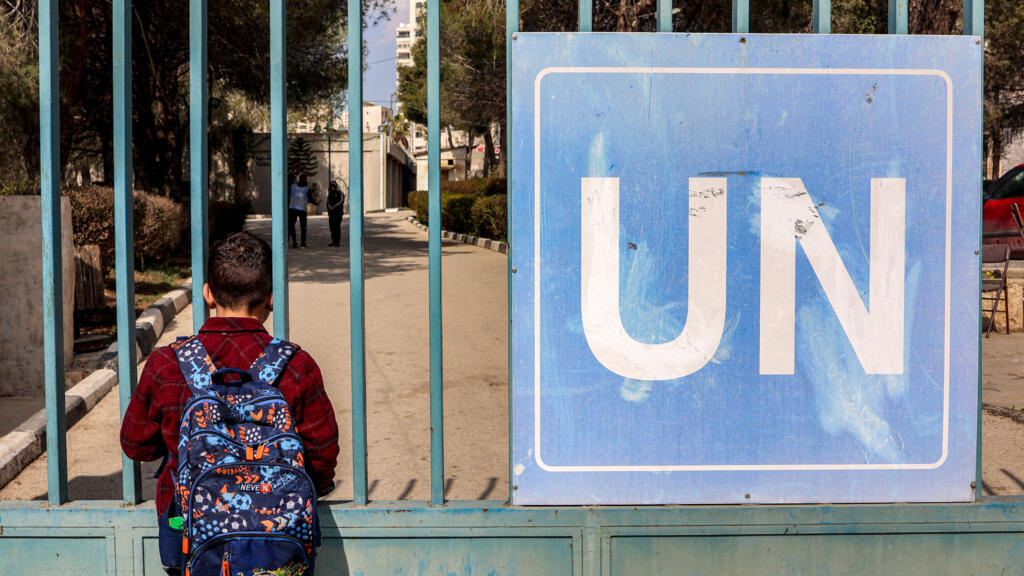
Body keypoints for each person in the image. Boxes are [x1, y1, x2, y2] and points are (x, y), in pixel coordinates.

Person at [120, 231, 339, 574]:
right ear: (270, 298)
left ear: (207, 294)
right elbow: (322, 456)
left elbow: (136, 445)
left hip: (191, 538)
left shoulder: (167, 364)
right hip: (279, 543)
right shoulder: (297, 365)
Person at [289, 173, 311, 248]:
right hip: (302, 209)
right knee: (303, 227)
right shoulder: (307, 188)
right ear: (305, 179)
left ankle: (294, 242)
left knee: (292, 226)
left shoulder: (293, 186)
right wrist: (317, 203)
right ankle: (303, 243)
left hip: (292, 208)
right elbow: (310, 198)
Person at [326, 179, 346, 247]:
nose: (332, 188)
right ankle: (333, 241)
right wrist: (330, 207)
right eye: (331, 187)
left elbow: (341, 201)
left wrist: (334, 207)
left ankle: (337, 242)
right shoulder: (330, 194)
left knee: (337, 227)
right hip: (331, 214)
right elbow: (328, 202)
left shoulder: (340, 193)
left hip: (338, 213)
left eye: (333, 186)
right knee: (332, 227)